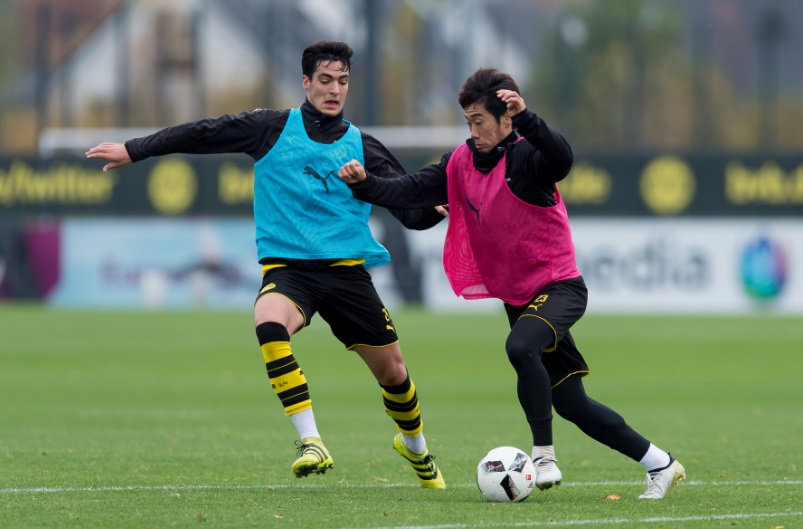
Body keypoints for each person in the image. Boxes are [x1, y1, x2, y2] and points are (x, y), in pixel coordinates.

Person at [86, 40, 445, 489]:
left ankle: (416, 449)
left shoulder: (364, 146)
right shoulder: (270, 129)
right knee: (267, 321)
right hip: (289, 271)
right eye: (326, 80)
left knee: (393, 372)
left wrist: (432, 211)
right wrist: (135, 149)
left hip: (347, 274)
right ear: (306, 82)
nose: (335, 90)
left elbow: (408, 212)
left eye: (343, 81)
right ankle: (311, 441)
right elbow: (203, 132)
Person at [337, 67, 685, 499]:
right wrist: (365, 184)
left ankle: (542, 456)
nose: (473, 130)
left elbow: (562, 159)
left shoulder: (526, 157)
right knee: (572, 402)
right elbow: (409, 191)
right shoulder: (460, 162)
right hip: (521, 299)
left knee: (520, 347)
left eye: (479, 120)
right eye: (468, 121)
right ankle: (660, 464)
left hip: (560, 288)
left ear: (506, 119)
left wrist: (529, 119)